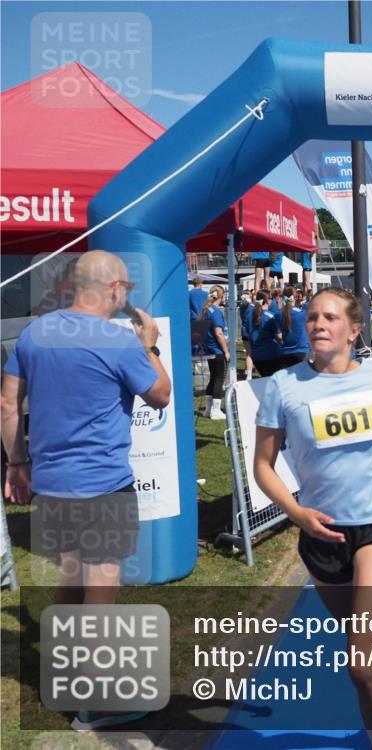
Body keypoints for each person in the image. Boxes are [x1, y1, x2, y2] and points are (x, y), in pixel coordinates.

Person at [1, 250, 171, 730]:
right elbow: (161, 393)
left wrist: (17, 462)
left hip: (52, 484)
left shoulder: (35, 333)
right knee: (101, 588)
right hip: (101, 483)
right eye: (126, 290)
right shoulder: (118, 342)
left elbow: (7, 403)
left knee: (71, 580)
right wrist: (150, 345)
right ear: (114, 288)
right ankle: (94, 699)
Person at [253, 288, 372, 750]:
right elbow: (263, 466)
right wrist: (297, 514)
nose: (317, 324)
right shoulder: (284, 386)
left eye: (330, 317)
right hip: (322, 535)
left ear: (353, 330)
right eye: (311, 317)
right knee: (365, 648)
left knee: (359, 660)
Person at [197, 285, 230, 419]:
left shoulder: (206, 310)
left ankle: (208, 409)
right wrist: (226, 351)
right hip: (216, 349)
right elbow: (219, 333)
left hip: (209, 348)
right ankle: (215, 411)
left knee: (213, 378)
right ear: (221, 296)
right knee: (219, 379)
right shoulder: (215, 311)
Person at [248, 289, 283, 376]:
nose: (273, 300)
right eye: (271, 298)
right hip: (270, 354)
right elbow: (279, 336)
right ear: (266, 300)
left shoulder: (251, 316)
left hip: (256, 355)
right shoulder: (270, 316)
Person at [279, 285, 310, 369]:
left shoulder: (278, 314)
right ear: (295, 297)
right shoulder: (302, 313)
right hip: (302, 351)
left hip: (286, 351)